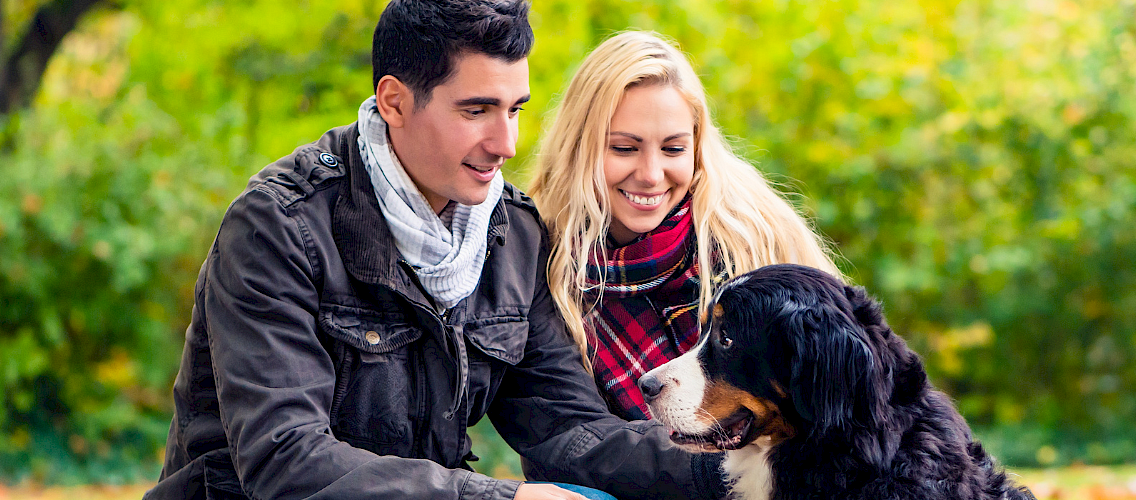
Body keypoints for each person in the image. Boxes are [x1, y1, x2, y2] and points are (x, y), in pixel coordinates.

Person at [144, 3, 724, 500]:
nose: (506, 143)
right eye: (476, 111)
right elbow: (284, 461)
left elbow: (570, 430)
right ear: (394, 102)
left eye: (515, 109)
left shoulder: (511, 236)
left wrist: (743, 472)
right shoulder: (280, 227)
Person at [526, 31, 840, 421]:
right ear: (578, 147)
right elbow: (571, 437)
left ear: (697, 146)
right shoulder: (544, 262)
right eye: (624, 148)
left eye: (673, 149)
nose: (651, 174)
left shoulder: (754, 235)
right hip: (614, 477)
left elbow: (832, 388)